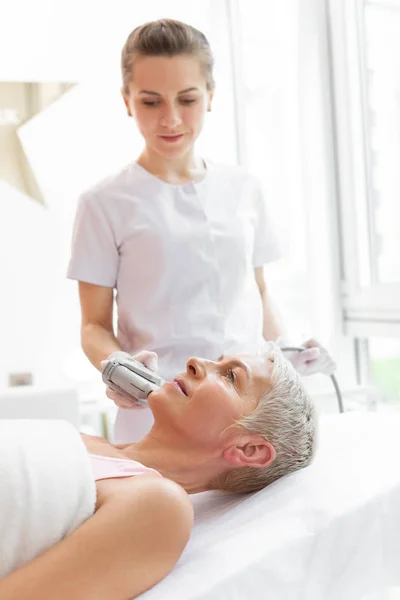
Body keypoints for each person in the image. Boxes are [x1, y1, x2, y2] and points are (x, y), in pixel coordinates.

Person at [67, 18, 334, 443]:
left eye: (187, 99)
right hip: (157, 409)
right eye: (151, 102)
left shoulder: (245, 189)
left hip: (251, 412)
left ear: (210, 96)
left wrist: (288, 347)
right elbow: (93, 326)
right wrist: (119, 367)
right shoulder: (103, 203)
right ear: (126, 100)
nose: (170, 119)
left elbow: (258, 292)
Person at [0, 346, 316, 599]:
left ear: (249, 449)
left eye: (231, 377)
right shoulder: (90, 442)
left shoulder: (159, 503)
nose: (195, 361)